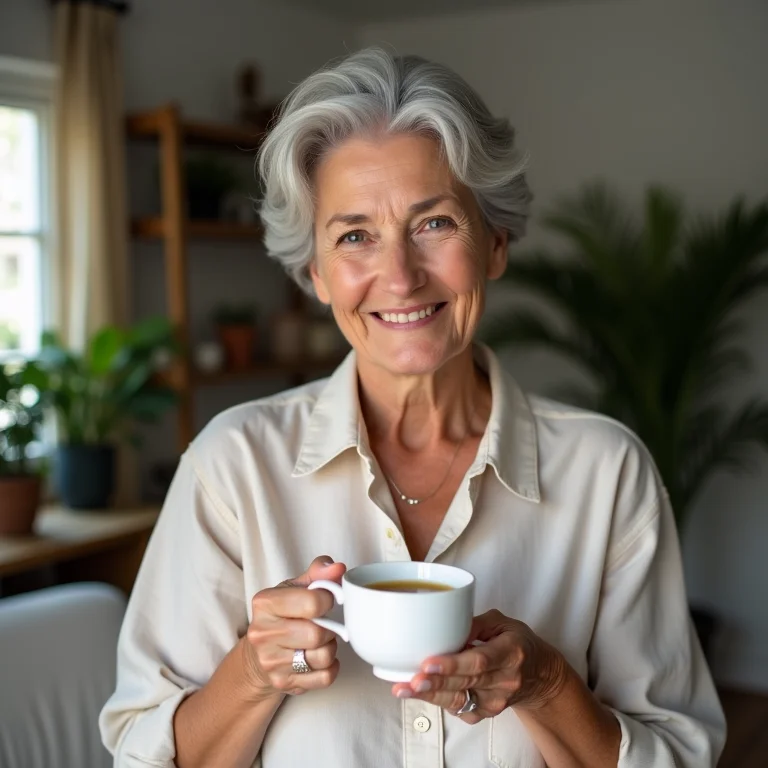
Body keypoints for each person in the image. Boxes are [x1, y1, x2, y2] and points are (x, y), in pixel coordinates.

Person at [100, 48, 726, 767]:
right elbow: (142, 755)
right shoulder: (232, 465)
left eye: (434, 224)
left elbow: (680, 755)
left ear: (494, 244)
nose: (398, 277)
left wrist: (548, 684)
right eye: (355, 236)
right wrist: (252, 670)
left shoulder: (607, 472)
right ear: (316, 273)